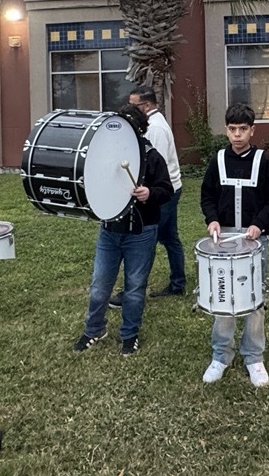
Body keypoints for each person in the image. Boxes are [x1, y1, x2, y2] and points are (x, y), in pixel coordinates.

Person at [73, 104, 173, 356]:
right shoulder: (104, 156)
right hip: (110, 231)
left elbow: (167, 190)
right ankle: (94, 329)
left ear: (139, 130)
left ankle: (130, 334)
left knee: (135, 287)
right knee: (99, 286)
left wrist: (150, 193)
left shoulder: (152, 157)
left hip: (141, 231)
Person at [199, 102, 269, 388]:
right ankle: (221, 354)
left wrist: (258, 224)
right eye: (232, 129)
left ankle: (254, 356)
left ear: (252, 130)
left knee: (254, 297)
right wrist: (212, 220)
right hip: (224, 241)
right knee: (223, 297)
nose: (237, 135)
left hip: (254, 240)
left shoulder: (263, 161)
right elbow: (207, 196)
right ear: (226, 130)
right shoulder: (217, 160)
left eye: (243, 130)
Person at [129, 86, 185, 297]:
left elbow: (156, 167)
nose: (130, 111)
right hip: (167, 190)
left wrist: (148, 192)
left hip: (164, 193)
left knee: (150, 239)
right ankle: (177, 284)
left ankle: (135, 288)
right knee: (169, 237)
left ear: (147, 105)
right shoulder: (151, 125)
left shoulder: (156, 129)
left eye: (134, 106)